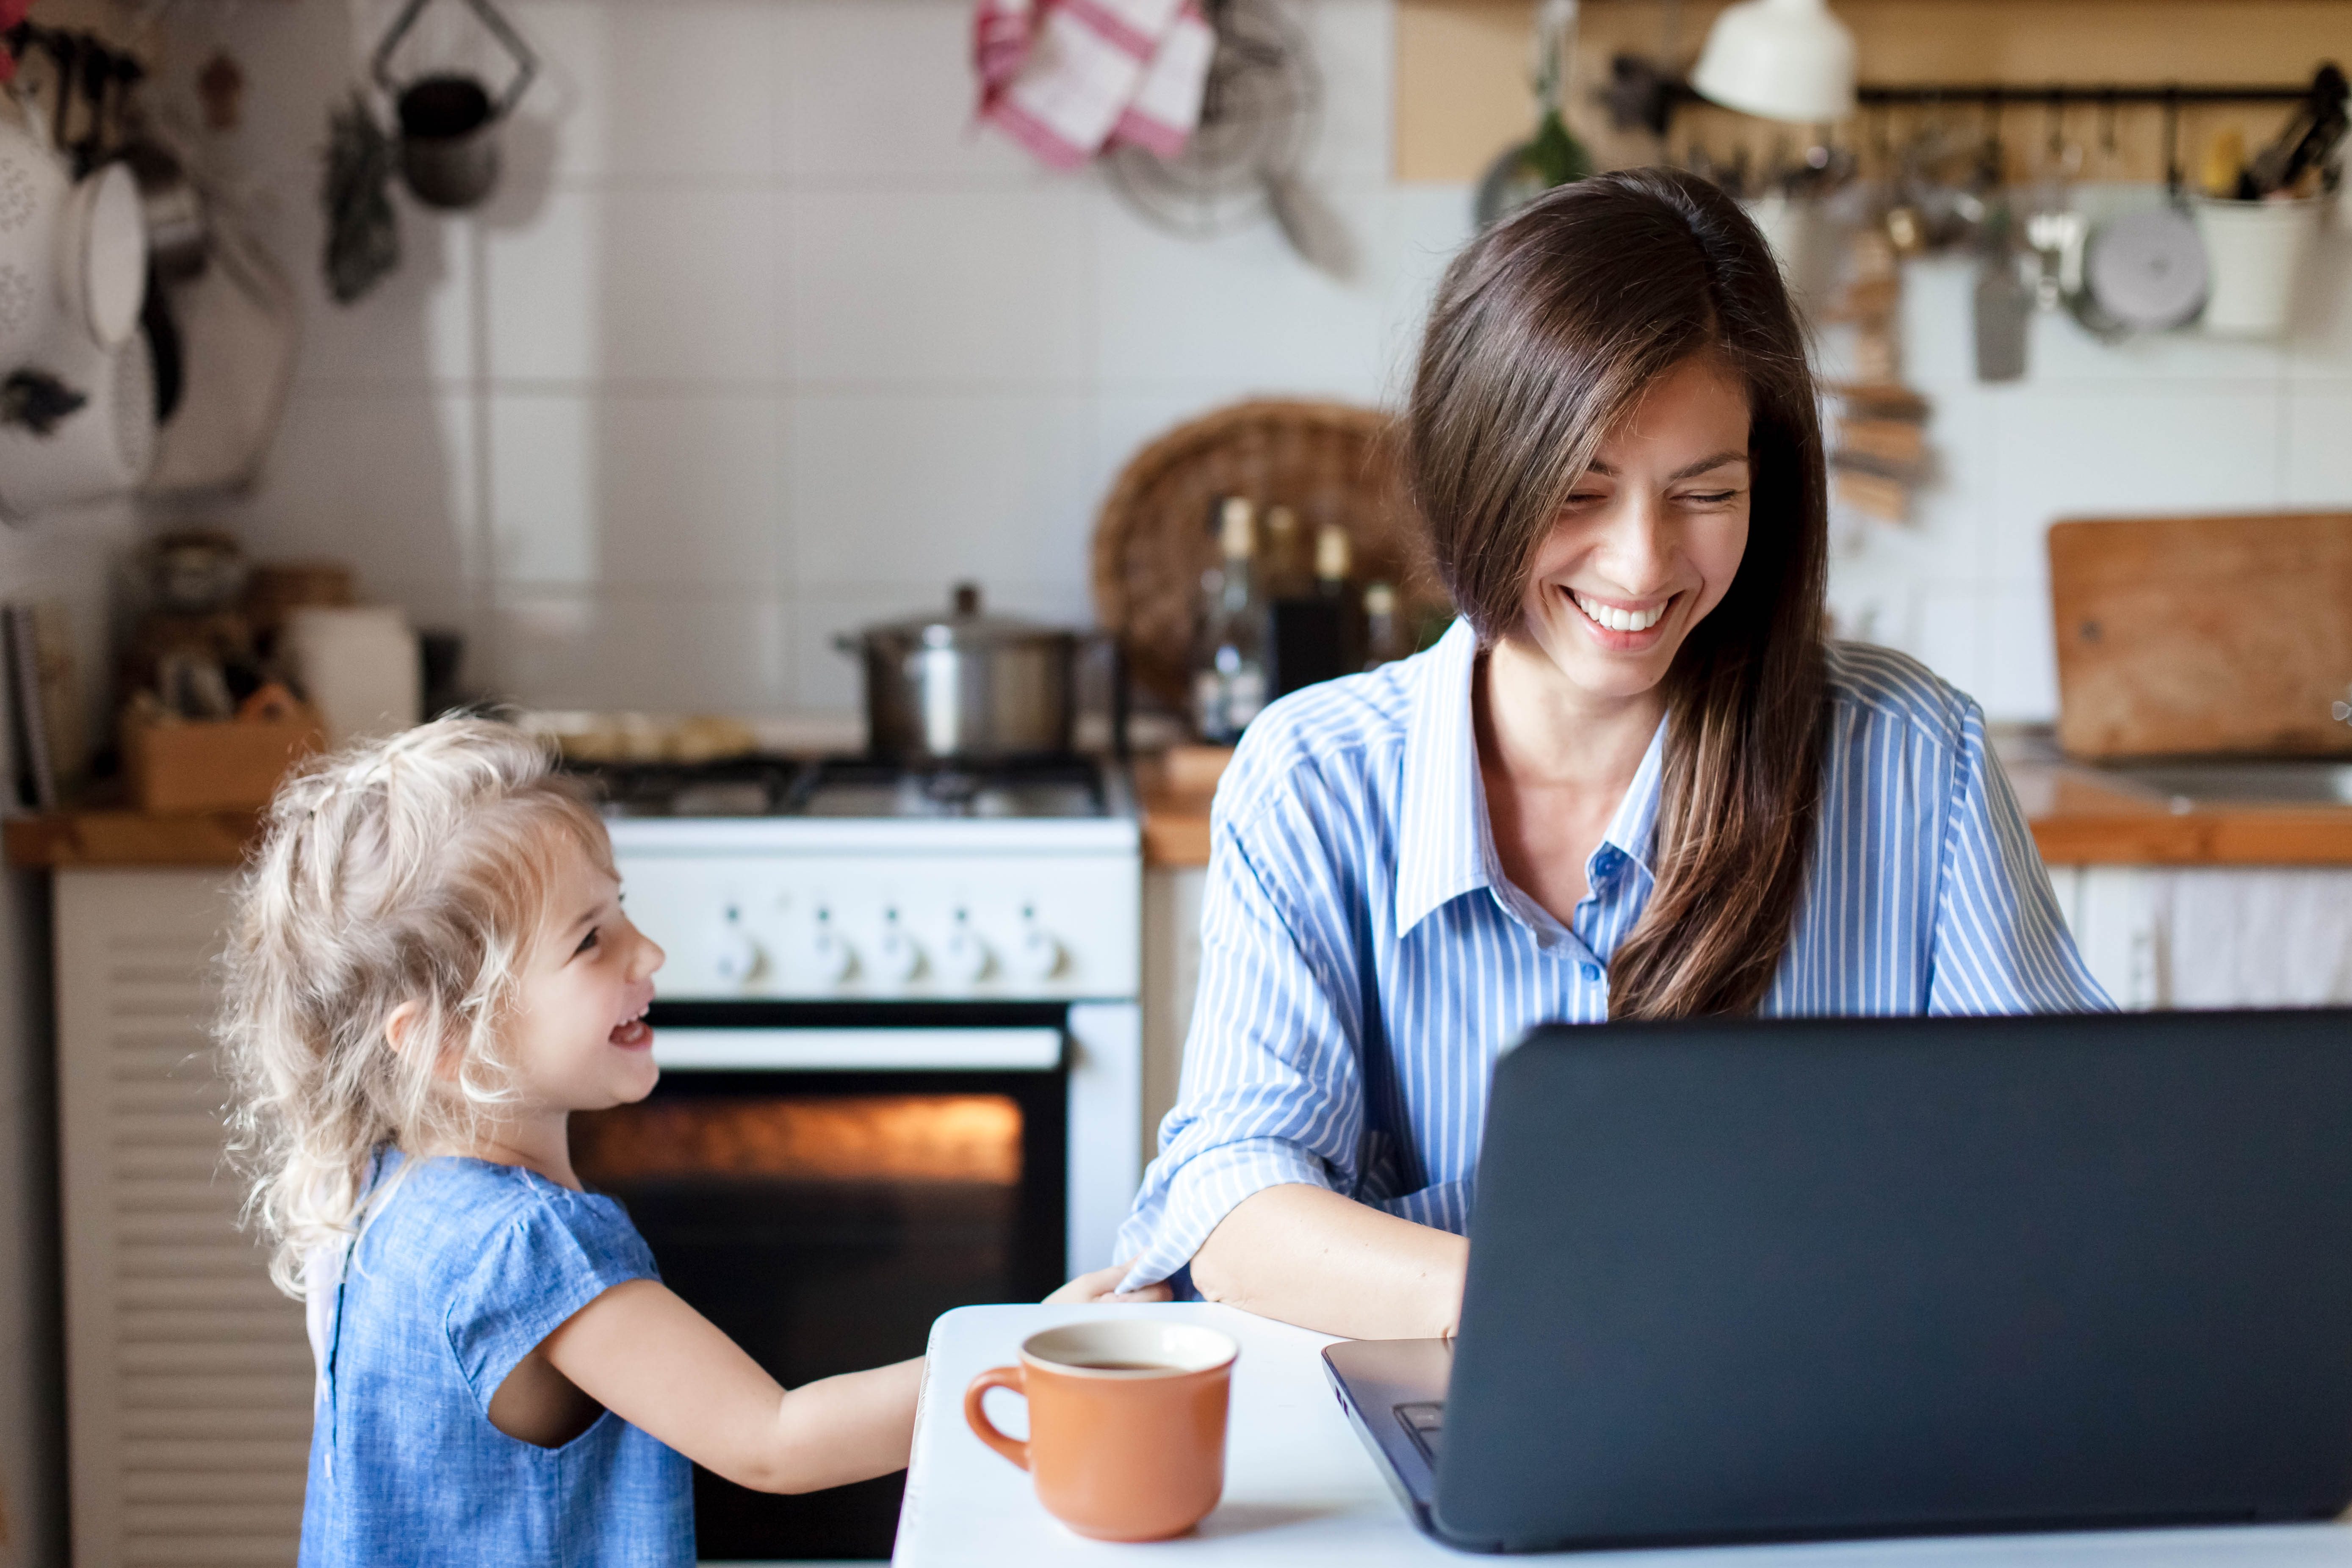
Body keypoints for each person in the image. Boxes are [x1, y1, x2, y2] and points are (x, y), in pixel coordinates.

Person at [1112, 168, 2108, 1341]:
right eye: (1580, 492)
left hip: (1823, 1422)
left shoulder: (1910, 760)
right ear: (1475, 472)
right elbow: (1236, 1205)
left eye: (1706, 494)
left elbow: (2068, 1160)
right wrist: (1572, 1305)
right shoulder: (1313, 777)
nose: (1641, 568)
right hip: (1440, 1429)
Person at [220, 719, 1160, 1566]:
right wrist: (1034, 1353)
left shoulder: (378, 1196)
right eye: (591, 940)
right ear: (446, 1038)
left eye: (620, 909)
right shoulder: (531, 1251)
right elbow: (776, 1439)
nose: (649, 952)